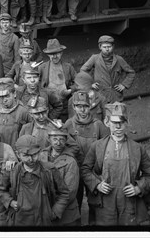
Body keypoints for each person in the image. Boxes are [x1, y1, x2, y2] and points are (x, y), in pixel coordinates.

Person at [81, 102, 150, 226]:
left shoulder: (137, 148)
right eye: (114, 123)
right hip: (104, 203)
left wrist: (138, 188)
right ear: (107, 122)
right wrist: (97, 184)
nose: (118, 127)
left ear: (127, 123)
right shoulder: (97, 146)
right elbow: (85, 170)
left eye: (122, 122)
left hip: (129, 204)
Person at [0, 134, 70, 227]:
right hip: (20, 219)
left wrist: (55, 212)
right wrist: (10, 202)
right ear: (18, 154)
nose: (31, 159)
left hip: (44, 219)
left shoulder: (50, 170)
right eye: (25, 155)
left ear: (39, 152)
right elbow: (1, 190)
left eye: (34, 154)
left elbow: (64, 193)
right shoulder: (12, 171)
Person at [63, 90, 110, 223]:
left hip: (93, 171)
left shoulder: (98, 125)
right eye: (79, 106)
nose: (82, 110)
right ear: (73, 107)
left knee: (95, 203)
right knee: (74, 201)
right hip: (75, 171)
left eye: (85, 106)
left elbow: (107, 147)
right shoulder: (69, 124)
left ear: (90, 106)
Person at [38, 127, 81, 226]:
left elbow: (70, 191)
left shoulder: (71, 161)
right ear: (49, 139)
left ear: (66, 141)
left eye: (62, 139)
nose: (58, 143)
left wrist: (55, 210)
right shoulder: (41, 156)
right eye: (55, 139)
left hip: (65, 214)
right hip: (43, 209)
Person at [79, 35, 136, 104]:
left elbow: (131, 72)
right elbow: (83, 70)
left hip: (115, 95)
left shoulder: (119, 59)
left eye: (109, 47)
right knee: (101, 113)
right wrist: (90, 83)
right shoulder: (95, 58)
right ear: (100, 47)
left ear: (113, 46)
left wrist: (124, 84)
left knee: (116, 114)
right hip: (100, 94)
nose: (107, 49)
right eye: (104, 47)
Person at [39, 38, 76, 121]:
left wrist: (70, 90)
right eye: (51, 54)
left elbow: (78, 82)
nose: (54, 56)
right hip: (49, 106)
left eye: (57, 53)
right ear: (48, 55)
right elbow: (36, 82)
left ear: (61, 53)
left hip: (65, 104)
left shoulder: (68, 67)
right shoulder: (42, 67)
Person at [0, 78, 31, 149]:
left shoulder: (23, 111)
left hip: (17, 150)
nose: (4, 100)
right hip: (1, 150)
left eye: (7, 96)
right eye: (1, 97)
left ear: (14, 94)